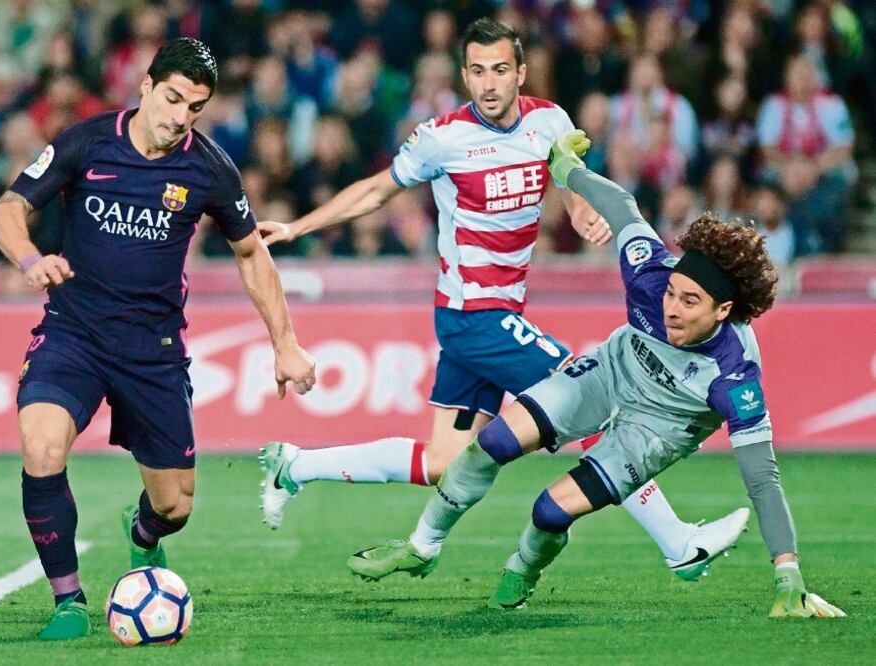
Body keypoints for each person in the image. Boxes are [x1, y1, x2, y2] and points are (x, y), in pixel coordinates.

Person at [258, 18, 748, 581]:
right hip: (474, 315)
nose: (488, 84)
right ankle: (678, 543)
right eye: (476, 72)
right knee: (594, 397)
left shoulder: (549, 121)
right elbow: (375, 189)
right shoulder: (442, 138)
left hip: (494, 317)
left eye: (499, 70)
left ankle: (294, 465)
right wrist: (298, 228)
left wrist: (579, 203)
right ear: (464, 76)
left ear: (519, 72)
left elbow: (571, 177)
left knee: (443, 462)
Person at [345, 129, 846, 620]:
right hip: (609, 372)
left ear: (724, 311)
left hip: (656, 430)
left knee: (549, 511)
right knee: (491, 442)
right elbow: (623, 207)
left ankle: (523, 569)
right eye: (672, 293)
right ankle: (422, 545)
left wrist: (788, 576)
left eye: (690, 302)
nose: (671, 307)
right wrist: (567, 168)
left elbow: (762, 476)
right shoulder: (651, 276)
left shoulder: (734, 375)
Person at [0, 38, 316, 641]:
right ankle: (68, 600)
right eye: (171, 99)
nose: (178, 117)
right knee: (41, 447)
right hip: (74, 334)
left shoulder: (209, 167)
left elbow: (251, 253)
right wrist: (31, 258)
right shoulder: (86, 141)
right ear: (145, 86)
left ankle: (140, 536)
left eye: (195, 107)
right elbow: (6, 210)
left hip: (153, 350)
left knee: (175, 507)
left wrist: (285, 342)